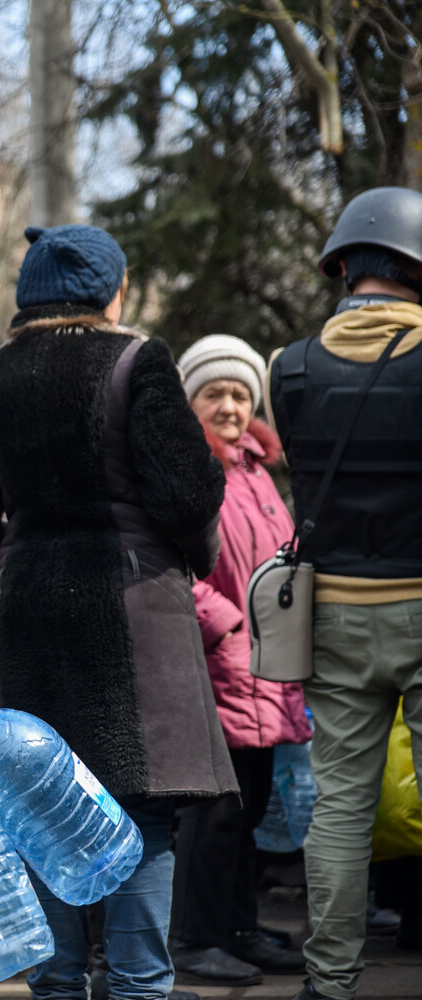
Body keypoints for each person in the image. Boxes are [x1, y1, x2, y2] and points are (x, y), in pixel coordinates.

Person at [0, 224, 236, 1000]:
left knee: (43, 806)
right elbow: (187, 493)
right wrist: (197, 556)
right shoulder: (139, 362)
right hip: (136, 614)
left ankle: (60, 982)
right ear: (113, 291)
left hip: (32, 611)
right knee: (143, 813)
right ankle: (139, 986)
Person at [266, 186, 422, 1000]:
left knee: (340, 809)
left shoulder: (288, 368)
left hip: (333, 613)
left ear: (341, 267)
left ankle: (329, 982)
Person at [168, 334, 311, 984]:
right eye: (213, 393)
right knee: (214, 810)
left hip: (265, 661)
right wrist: (223, 625)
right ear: (189, 400)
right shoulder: (184, 466)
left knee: (249, 807)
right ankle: (195, 939)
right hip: (216, 660)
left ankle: (237, 927)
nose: (228, 405)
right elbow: (169, 564)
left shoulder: (255, 468)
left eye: (238, 394)